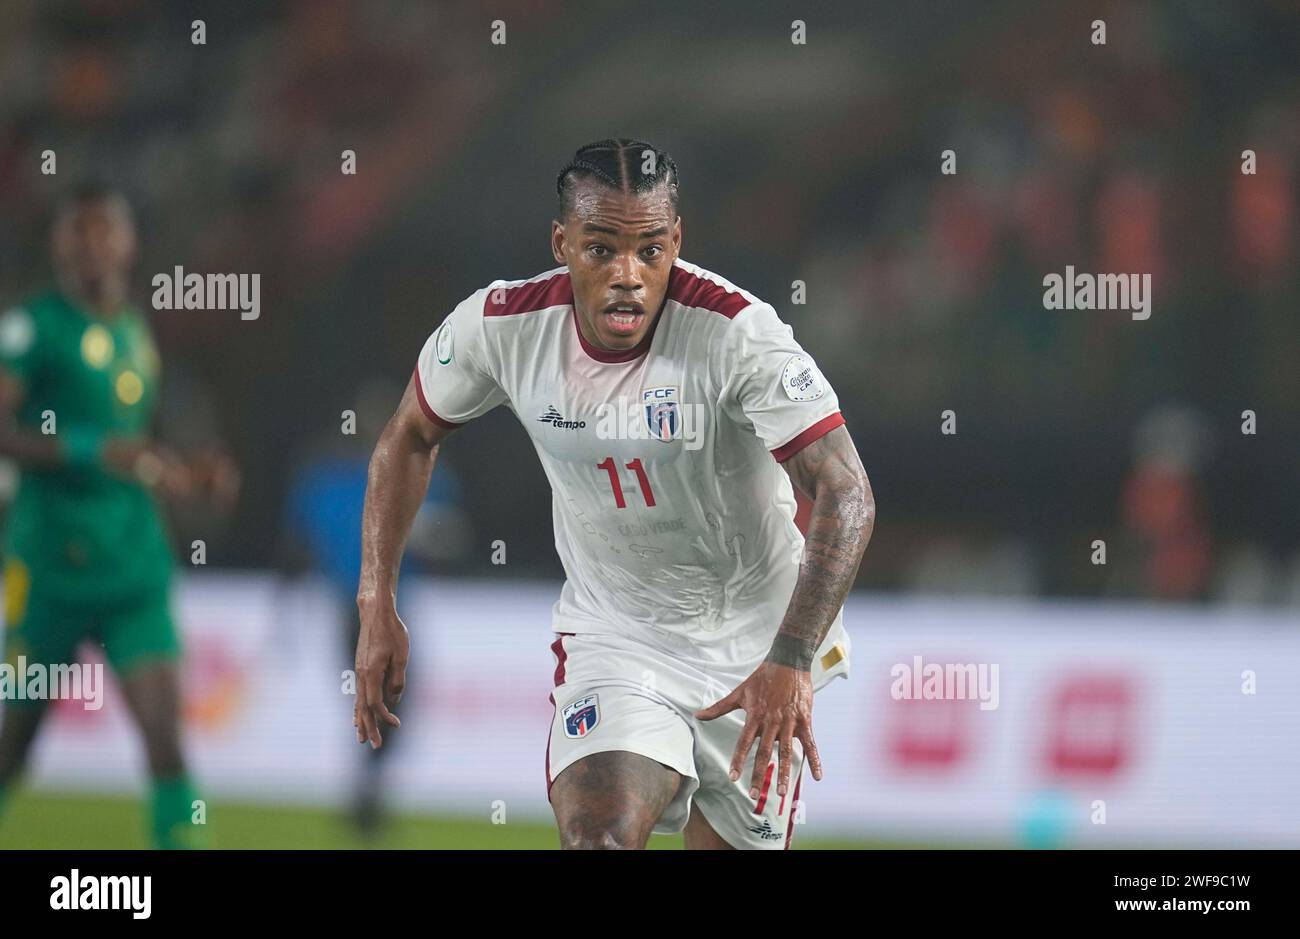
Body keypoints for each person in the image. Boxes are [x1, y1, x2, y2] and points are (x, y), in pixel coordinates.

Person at [353, 139, 875, 849]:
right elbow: (407, 435)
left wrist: (790, 656)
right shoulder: (504, 328)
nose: (629, 275)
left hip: (756, 648)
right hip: (619, 638)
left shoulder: (737, 335)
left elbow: (847, 491)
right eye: (602, 250)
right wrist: (376, 599)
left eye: (650, 251)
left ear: (677, 242)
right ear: (562, 243)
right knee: (598, 837)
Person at [0, 183, 237, 848]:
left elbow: (138, 448)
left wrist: (187, 473)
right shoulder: (33, 328)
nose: (93, 246)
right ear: (59, 245)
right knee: (14, 745)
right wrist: (89, 448)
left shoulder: (134, 328)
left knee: (166, 738)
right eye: (79, 233)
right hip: (48, 569)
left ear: (128, 243)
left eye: (105, 232)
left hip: (133, 565)